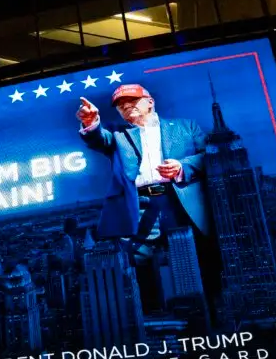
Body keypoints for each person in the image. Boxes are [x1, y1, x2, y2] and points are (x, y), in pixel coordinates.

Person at [76, 84, 217, 304]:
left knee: (198, 260)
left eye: (132, 101)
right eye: (121, 105)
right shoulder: (118, 135)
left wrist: (182, 167)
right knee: (137, 265)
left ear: (150, 101)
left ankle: (212, 314)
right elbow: (98, 139)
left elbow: (209, 155)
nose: (126, 106)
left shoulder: (186, 127)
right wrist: (91, 123)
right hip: (140, 206)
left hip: (179, 202)